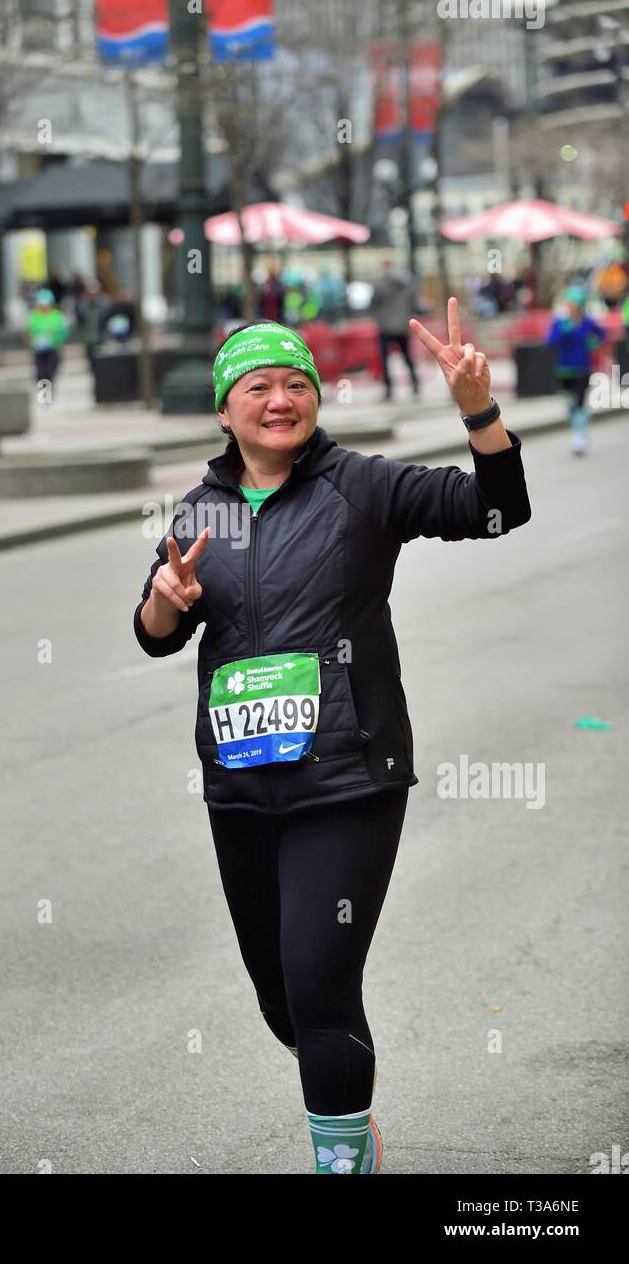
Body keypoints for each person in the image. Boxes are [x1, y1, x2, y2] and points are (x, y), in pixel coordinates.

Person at [133, 302, 532, 1174]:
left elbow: (498, 511)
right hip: (241, 785)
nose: (280, 400)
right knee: (280, 997)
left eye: (295, 384)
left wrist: (478, 412)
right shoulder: (202, 512)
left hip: (347, 778)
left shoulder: (361, 485)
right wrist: (167, 598)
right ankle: (338, 1100)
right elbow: (155, 629)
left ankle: (340, 1158)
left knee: (318, 982)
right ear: (224, 409)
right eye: (258, 386)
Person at [544, 286, 607, 455]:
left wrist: (594, 344)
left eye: (573, 304)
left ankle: (580, 436)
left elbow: (602, 334)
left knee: (579, 402)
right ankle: (578, 429)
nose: (570, 307)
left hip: (583, 368)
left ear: (580, 305)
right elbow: (550, 342)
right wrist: (562, 332)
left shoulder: (587, 322)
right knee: (570, 403)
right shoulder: (560, 322)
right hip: (564, 370)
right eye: (568, 303)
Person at [370, 258, 422, 399]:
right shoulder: (409, 282)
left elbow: (374, 302)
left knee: (385, 359)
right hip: (403, 325)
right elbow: (415, 303)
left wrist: (378, 317)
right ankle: (415, 385)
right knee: (408, 357)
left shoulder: (380, 283)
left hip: (385, 325)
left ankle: (388, 389)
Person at [27, 287, 68, 390]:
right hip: (39, 350)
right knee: (41, 373)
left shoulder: (57, 316)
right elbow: (29, 332)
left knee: (50, 372)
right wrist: (34, 340)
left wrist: (55, 339)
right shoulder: (34, 316)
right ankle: (45, 395)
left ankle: (49, 394)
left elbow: (62, 332)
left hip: (53, 349)